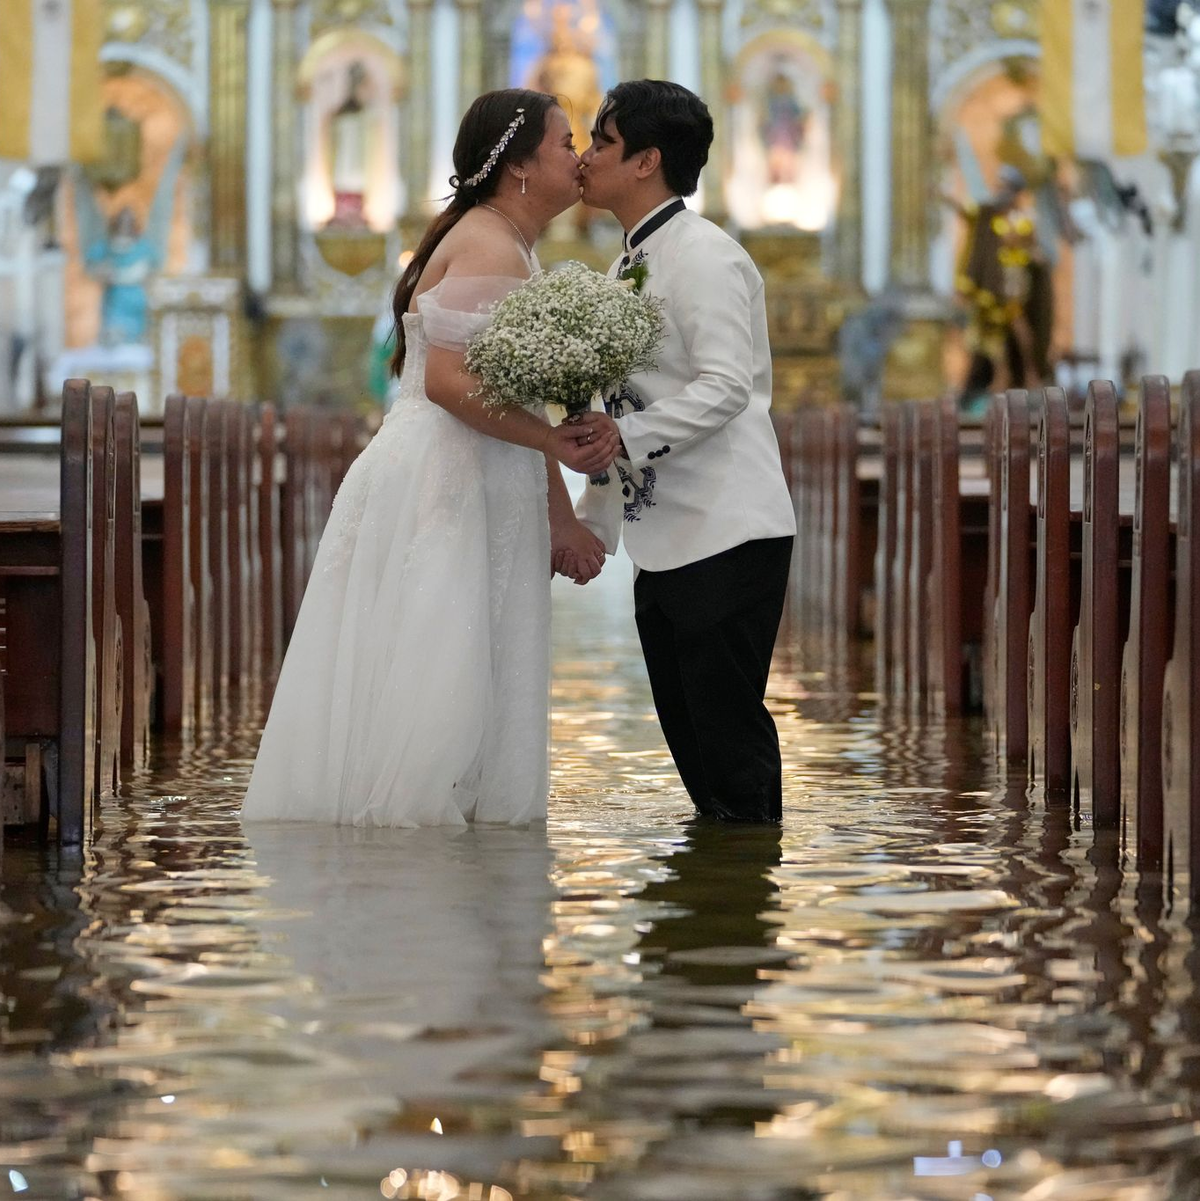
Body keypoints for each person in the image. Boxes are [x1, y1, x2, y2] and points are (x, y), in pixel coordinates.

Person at [241, 89, 617, 827]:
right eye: (564, 142)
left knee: (463, 652)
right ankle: (422, 873)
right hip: (446, 471)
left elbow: (514, 393)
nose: (576, 159)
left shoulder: (505, 241)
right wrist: (551, 444)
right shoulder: (487, 241)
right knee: (439, 655)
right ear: (517, 167)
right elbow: (448, 382)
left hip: (473, 464)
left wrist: (560, 510)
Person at [571, 80, 797, 824]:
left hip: (727, 530)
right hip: (663, 539)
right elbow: (615, 408)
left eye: (601, 142)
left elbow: (728, 385)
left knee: (732, 753)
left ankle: (744, 920)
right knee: (696, 757)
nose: (586, 157)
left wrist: (623, 438)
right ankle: (710, 918)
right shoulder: (625, 266)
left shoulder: (705, 256)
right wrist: (592, 526)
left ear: (646, 161)